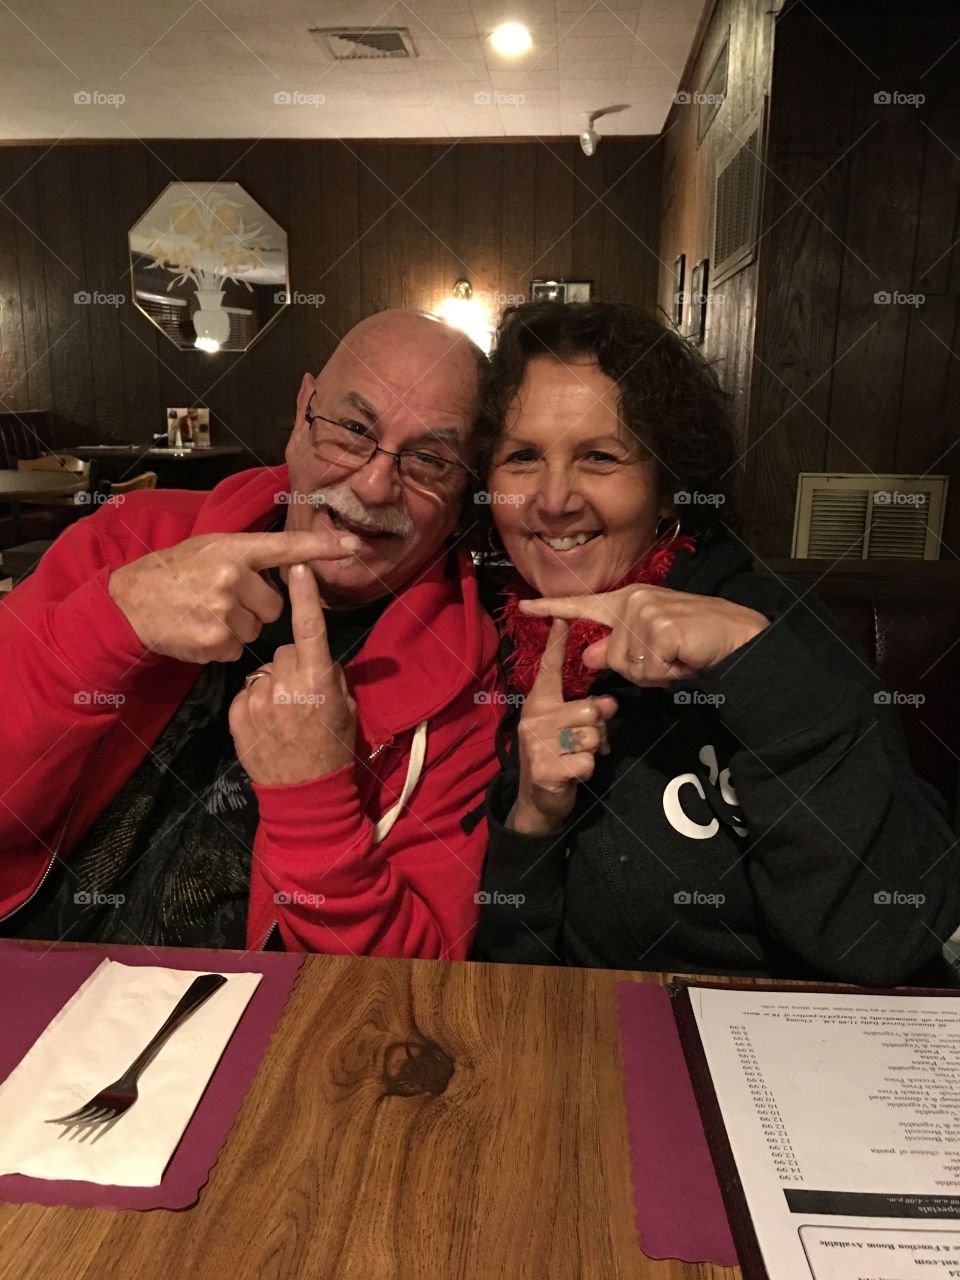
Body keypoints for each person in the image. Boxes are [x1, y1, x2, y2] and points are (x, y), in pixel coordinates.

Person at [472, 300, 959, 985]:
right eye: (522, 457)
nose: (554, 499)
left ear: (669, 490)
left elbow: (886, 938)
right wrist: (533, 818)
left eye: (600, 457)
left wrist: (751, 661)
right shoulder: (495, 650)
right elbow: (510, 973)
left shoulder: (773, 626)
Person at [0, 310, 502, 957]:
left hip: (249, 1035)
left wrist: (315, 800)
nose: (376, 483)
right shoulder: (128, 539)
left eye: (430, 460)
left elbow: (416, 982)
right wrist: (113, 621)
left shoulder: (468, 681)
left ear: (464, 490)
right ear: (302, 416)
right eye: (352, 430)